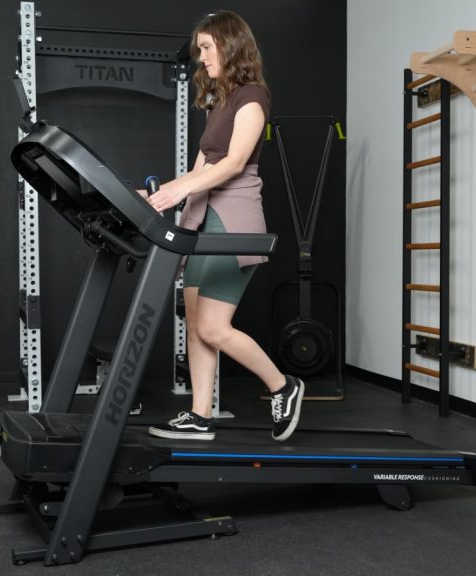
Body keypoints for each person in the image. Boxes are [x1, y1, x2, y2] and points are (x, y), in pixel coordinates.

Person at [146, 11, 304, 442]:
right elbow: (199, 167)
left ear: (230, 46)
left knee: (214, 327)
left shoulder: (251, 97)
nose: (201, 57)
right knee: (196, 323)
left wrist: (176, 193)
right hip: (203, 220)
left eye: (207, 48)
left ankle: (283, 385)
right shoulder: (220, 100)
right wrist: (162, 195)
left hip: (231, 221)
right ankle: (200, 416)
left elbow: (233, 164)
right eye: (199, 50)